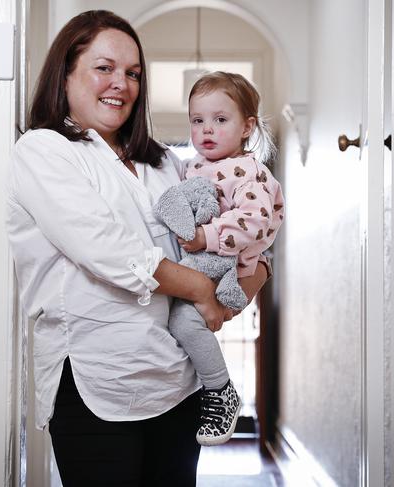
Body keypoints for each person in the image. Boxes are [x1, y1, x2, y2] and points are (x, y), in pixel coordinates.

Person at [6, 11, 269, 486]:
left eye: (132, 73)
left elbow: (235, 224)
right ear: (65, 73)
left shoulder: (165, 162)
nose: (121, 84)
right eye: (104, 68)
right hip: (100, 382)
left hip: (178, 384)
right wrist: (201, 289)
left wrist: (254, 276)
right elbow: (107, 250)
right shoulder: (45, 151)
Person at [160, 71, 285, 447]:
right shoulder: (191, 165)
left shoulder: (251, 172)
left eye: (220, 120)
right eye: (197, 121)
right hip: (196, 266)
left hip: (229, 269)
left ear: (247, 127)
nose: (206, 130)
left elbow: (253, 222)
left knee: (183, 322)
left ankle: (221, 391)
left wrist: (204, 237)